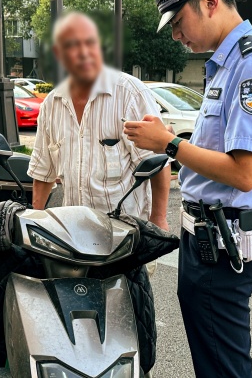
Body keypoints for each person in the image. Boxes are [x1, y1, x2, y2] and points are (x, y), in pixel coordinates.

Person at [124, 0, 252, 377]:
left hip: (224, 242)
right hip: (207, 239)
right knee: (212, 357)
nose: (177, 36)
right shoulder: (225, 63)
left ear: (211, 1)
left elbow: (244, 172)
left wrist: (170, 144)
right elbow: (221, 149)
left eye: (179, 22)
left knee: (223, 365)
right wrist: (175, 137)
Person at [27, 12, 170, 229]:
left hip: (127, 234)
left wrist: (158, 219)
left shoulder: (129, 94)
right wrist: (34, 223)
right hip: (74, 234)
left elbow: (159, 162)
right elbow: (43, 172)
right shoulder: (51, 105)